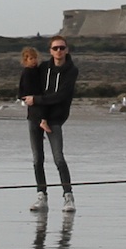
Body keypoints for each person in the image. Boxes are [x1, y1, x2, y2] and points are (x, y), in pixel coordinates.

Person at [19, 36, 79, 209]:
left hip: (55, 118)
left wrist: (36, 100)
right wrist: (26, 97)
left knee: (59, 158)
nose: (58, 51)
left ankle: (68, 196)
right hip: (35, 117)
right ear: (50, 51)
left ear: (66, 50)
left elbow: (61, 96)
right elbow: (29, 82)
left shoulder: (71, 70)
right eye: (55, 48)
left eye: (61, 48)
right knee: (37, 159)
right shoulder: (43, 67)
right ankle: (41, 196)